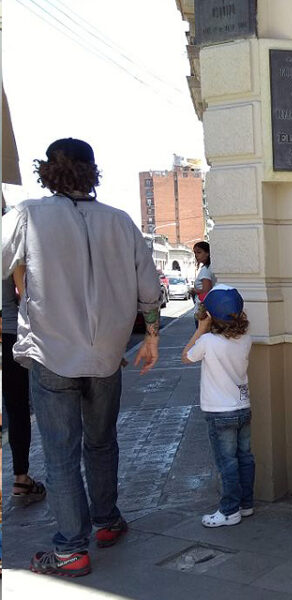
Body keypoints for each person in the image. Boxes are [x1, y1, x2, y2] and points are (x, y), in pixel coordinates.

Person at [1, 138, 162, 578]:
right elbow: (150, 290)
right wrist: (151, 337)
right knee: (101, 441)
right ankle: (107, 521)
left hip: (52, 353)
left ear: (47, 172)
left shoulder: (28, 215)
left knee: (60, 453)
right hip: (108, 356)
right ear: (92, 172)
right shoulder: (121, 221)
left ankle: (71, 548)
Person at [182, 285, 255, 528]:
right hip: (243, 407)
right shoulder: (245, 337)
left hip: (219, 412)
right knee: (244, 458)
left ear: (209, 315)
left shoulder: (208, 341)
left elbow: (186, 356)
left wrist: (201, 329)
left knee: (227, 463)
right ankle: (246, 504)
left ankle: (229, 510)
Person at [2, 273, 46, 507]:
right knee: (17, 407)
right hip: (11, 333)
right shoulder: (9, 240)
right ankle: (20, 478)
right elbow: (28, 293)